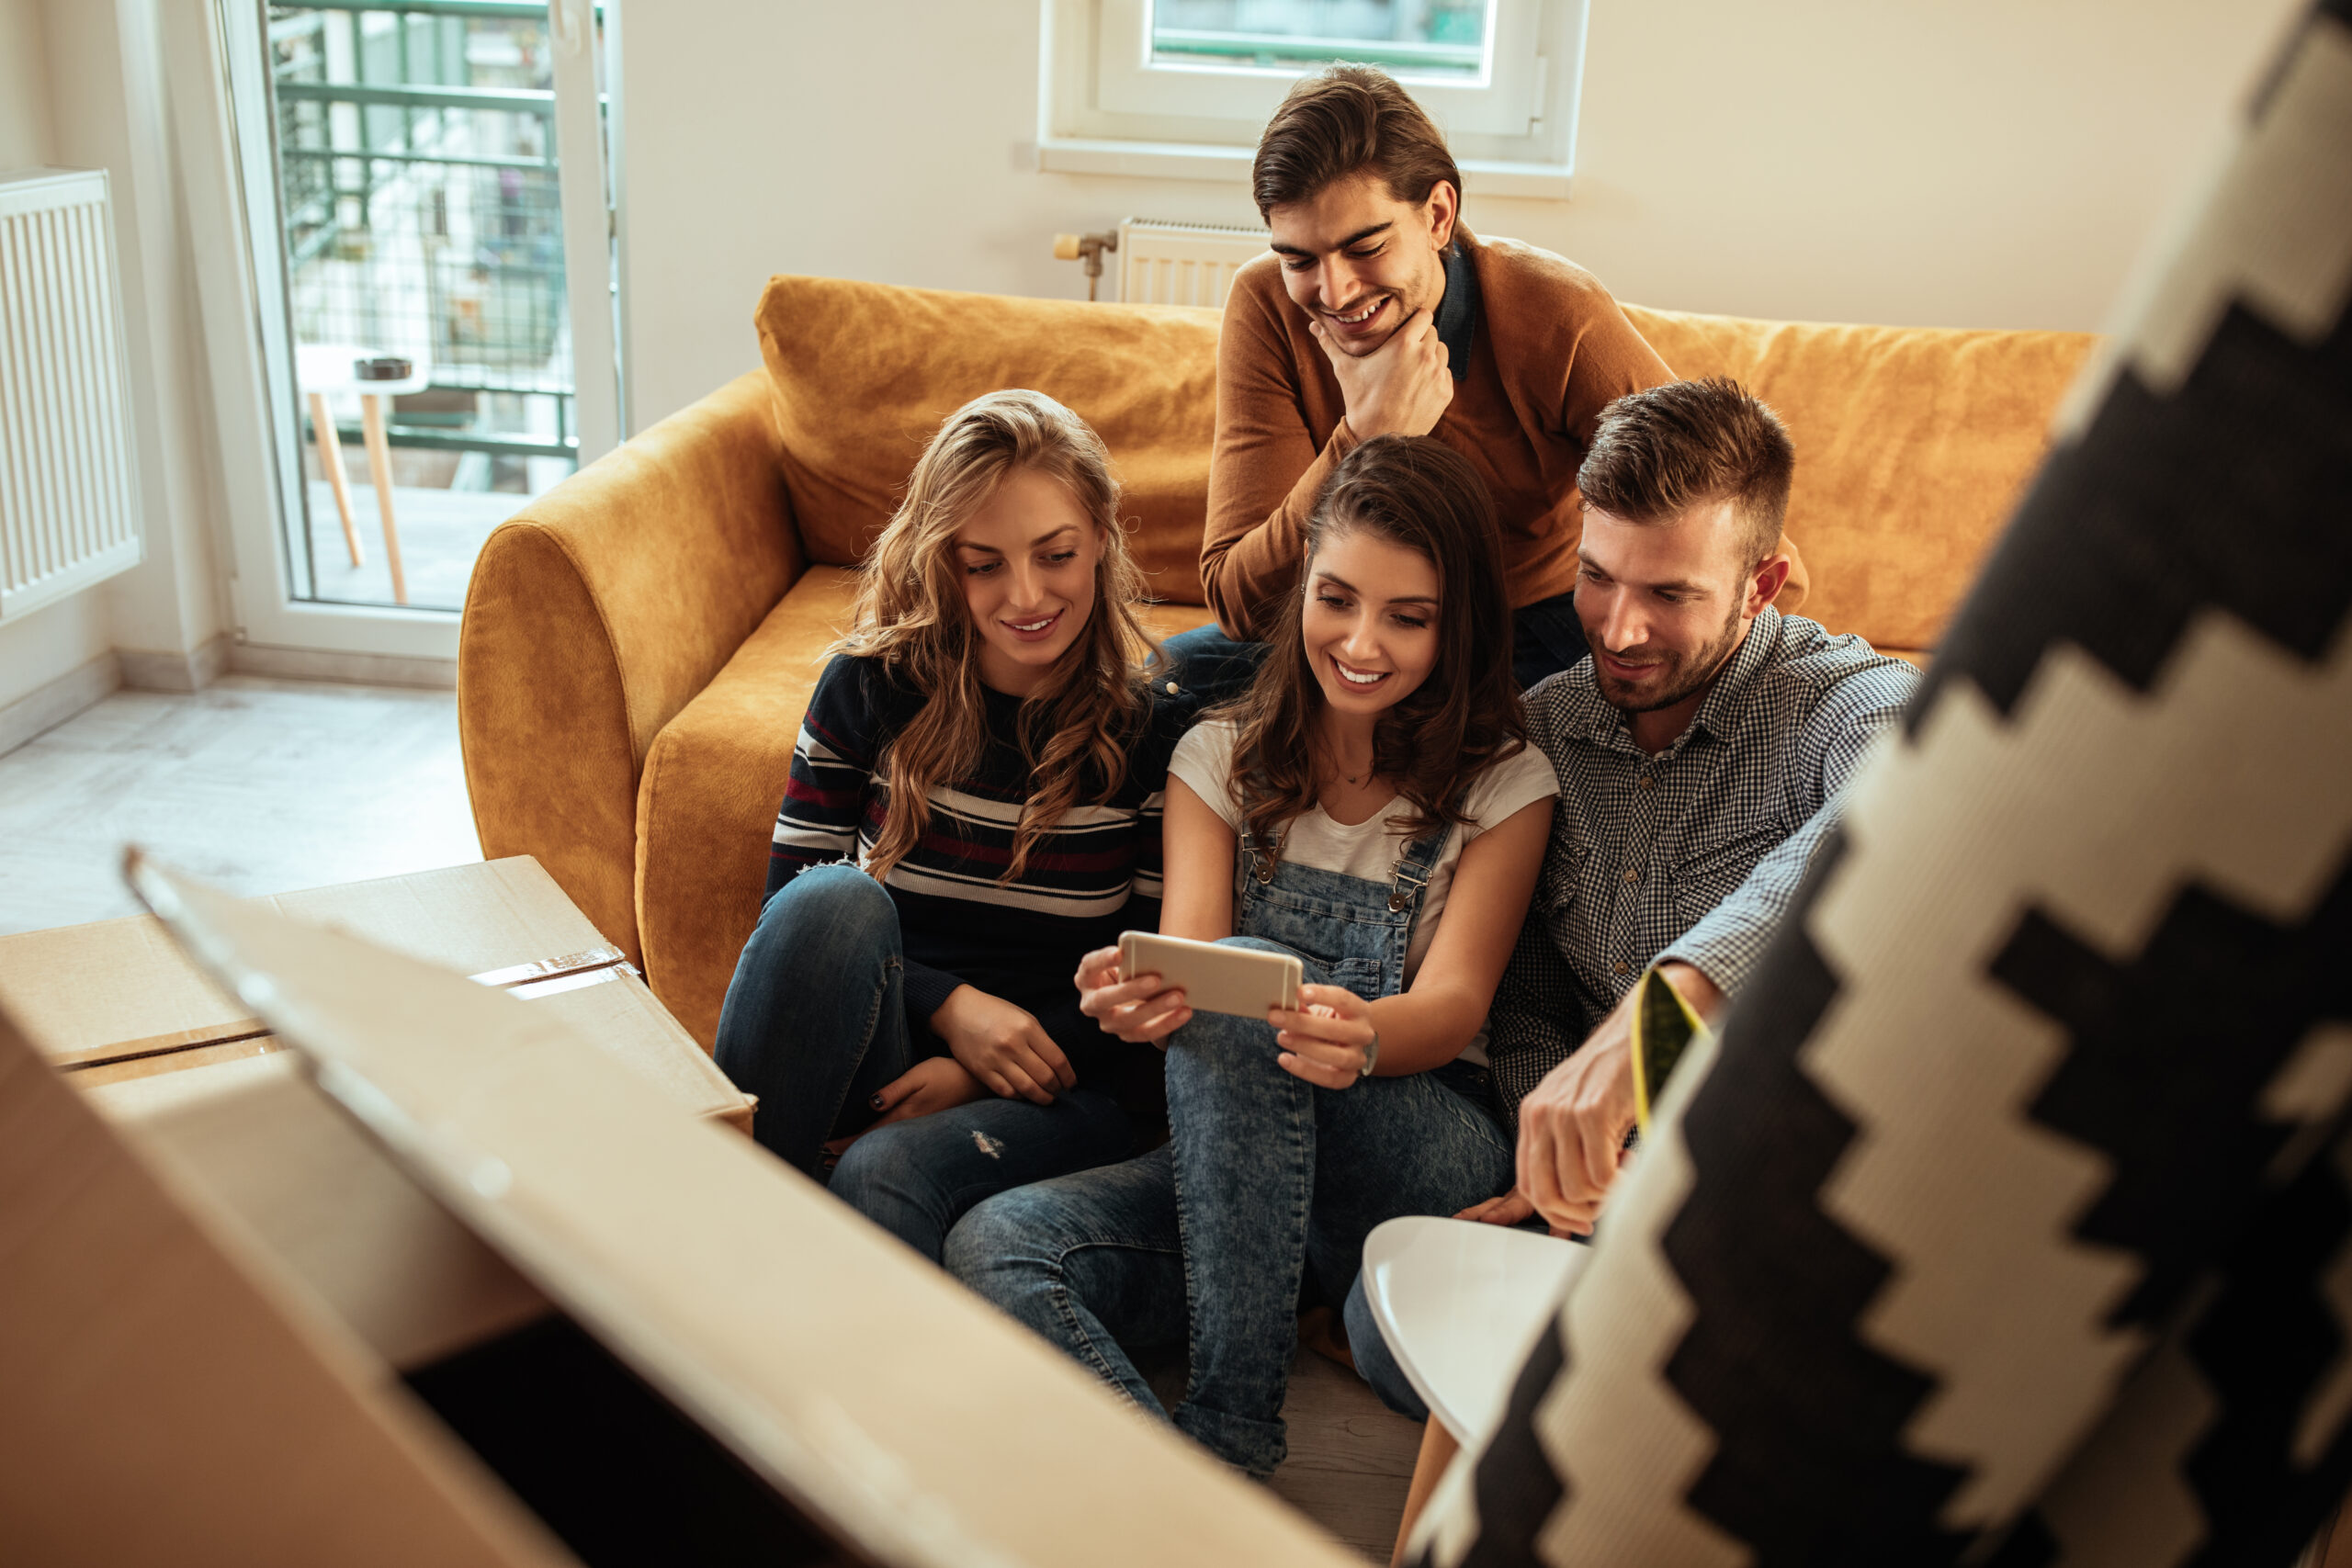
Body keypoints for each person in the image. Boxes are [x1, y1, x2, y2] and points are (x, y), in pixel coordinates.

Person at [945, 434, 1560, 1477]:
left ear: (1456, 629)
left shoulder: (1507, 781)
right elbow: (1190, 960)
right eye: (1337, 600)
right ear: (1300, 595)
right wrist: (1139, 996)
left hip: (1418, 1149)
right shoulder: (1215, 754)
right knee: (996, 1246)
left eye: (1407, 619)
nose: (1361, 642)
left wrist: (1361, 1035)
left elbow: (1455, 1005)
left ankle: (1231, 1432)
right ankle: (1181, 1502)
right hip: (1237, 1175)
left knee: (1242, 995)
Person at [1336, 377, 1923, 1422]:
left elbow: (1923, 780)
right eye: (1597, 578)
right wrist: (1553, 1143)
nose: (1617, 628)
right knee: (1383, 1327)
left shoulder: (1833, 701)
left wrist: (1678, 992)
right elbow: (1524, 1000)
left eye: (1670, 594)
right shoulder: (1543, 733)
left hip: (1774, 1183)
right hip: (1602, 1207)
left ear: (1764, 583)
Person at [713, 389, 1192, 1264]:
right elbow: (789, 920)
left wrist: (977, 1071)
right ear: (942, 563)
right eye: (983, 565)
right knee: (832, 905)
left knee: (882, 1173)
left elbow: (1149, 982)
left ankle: (801, 1305)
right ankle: (739, 1237)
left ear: (1102, 541)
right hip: (882, 1040)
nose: (1026, 595)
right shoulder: (866, 687)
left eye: (1057, 555)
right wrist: (951, 1009)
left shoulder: (1155, 729)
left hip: (1064, 1078)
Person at [1162, 62, 1811, 700]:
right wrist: (1364, 435)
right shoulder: (1265, 304)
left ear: (1439, 215)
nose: (1334, 291)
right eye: (1301, 259)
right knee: (1158, 691)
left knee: (1481, 747)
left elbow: (1758, 558)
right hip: (1344, 625)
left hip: (1527, 631)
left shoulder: (1556, 312)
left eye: (1365, 247)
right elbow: (1241, 603)